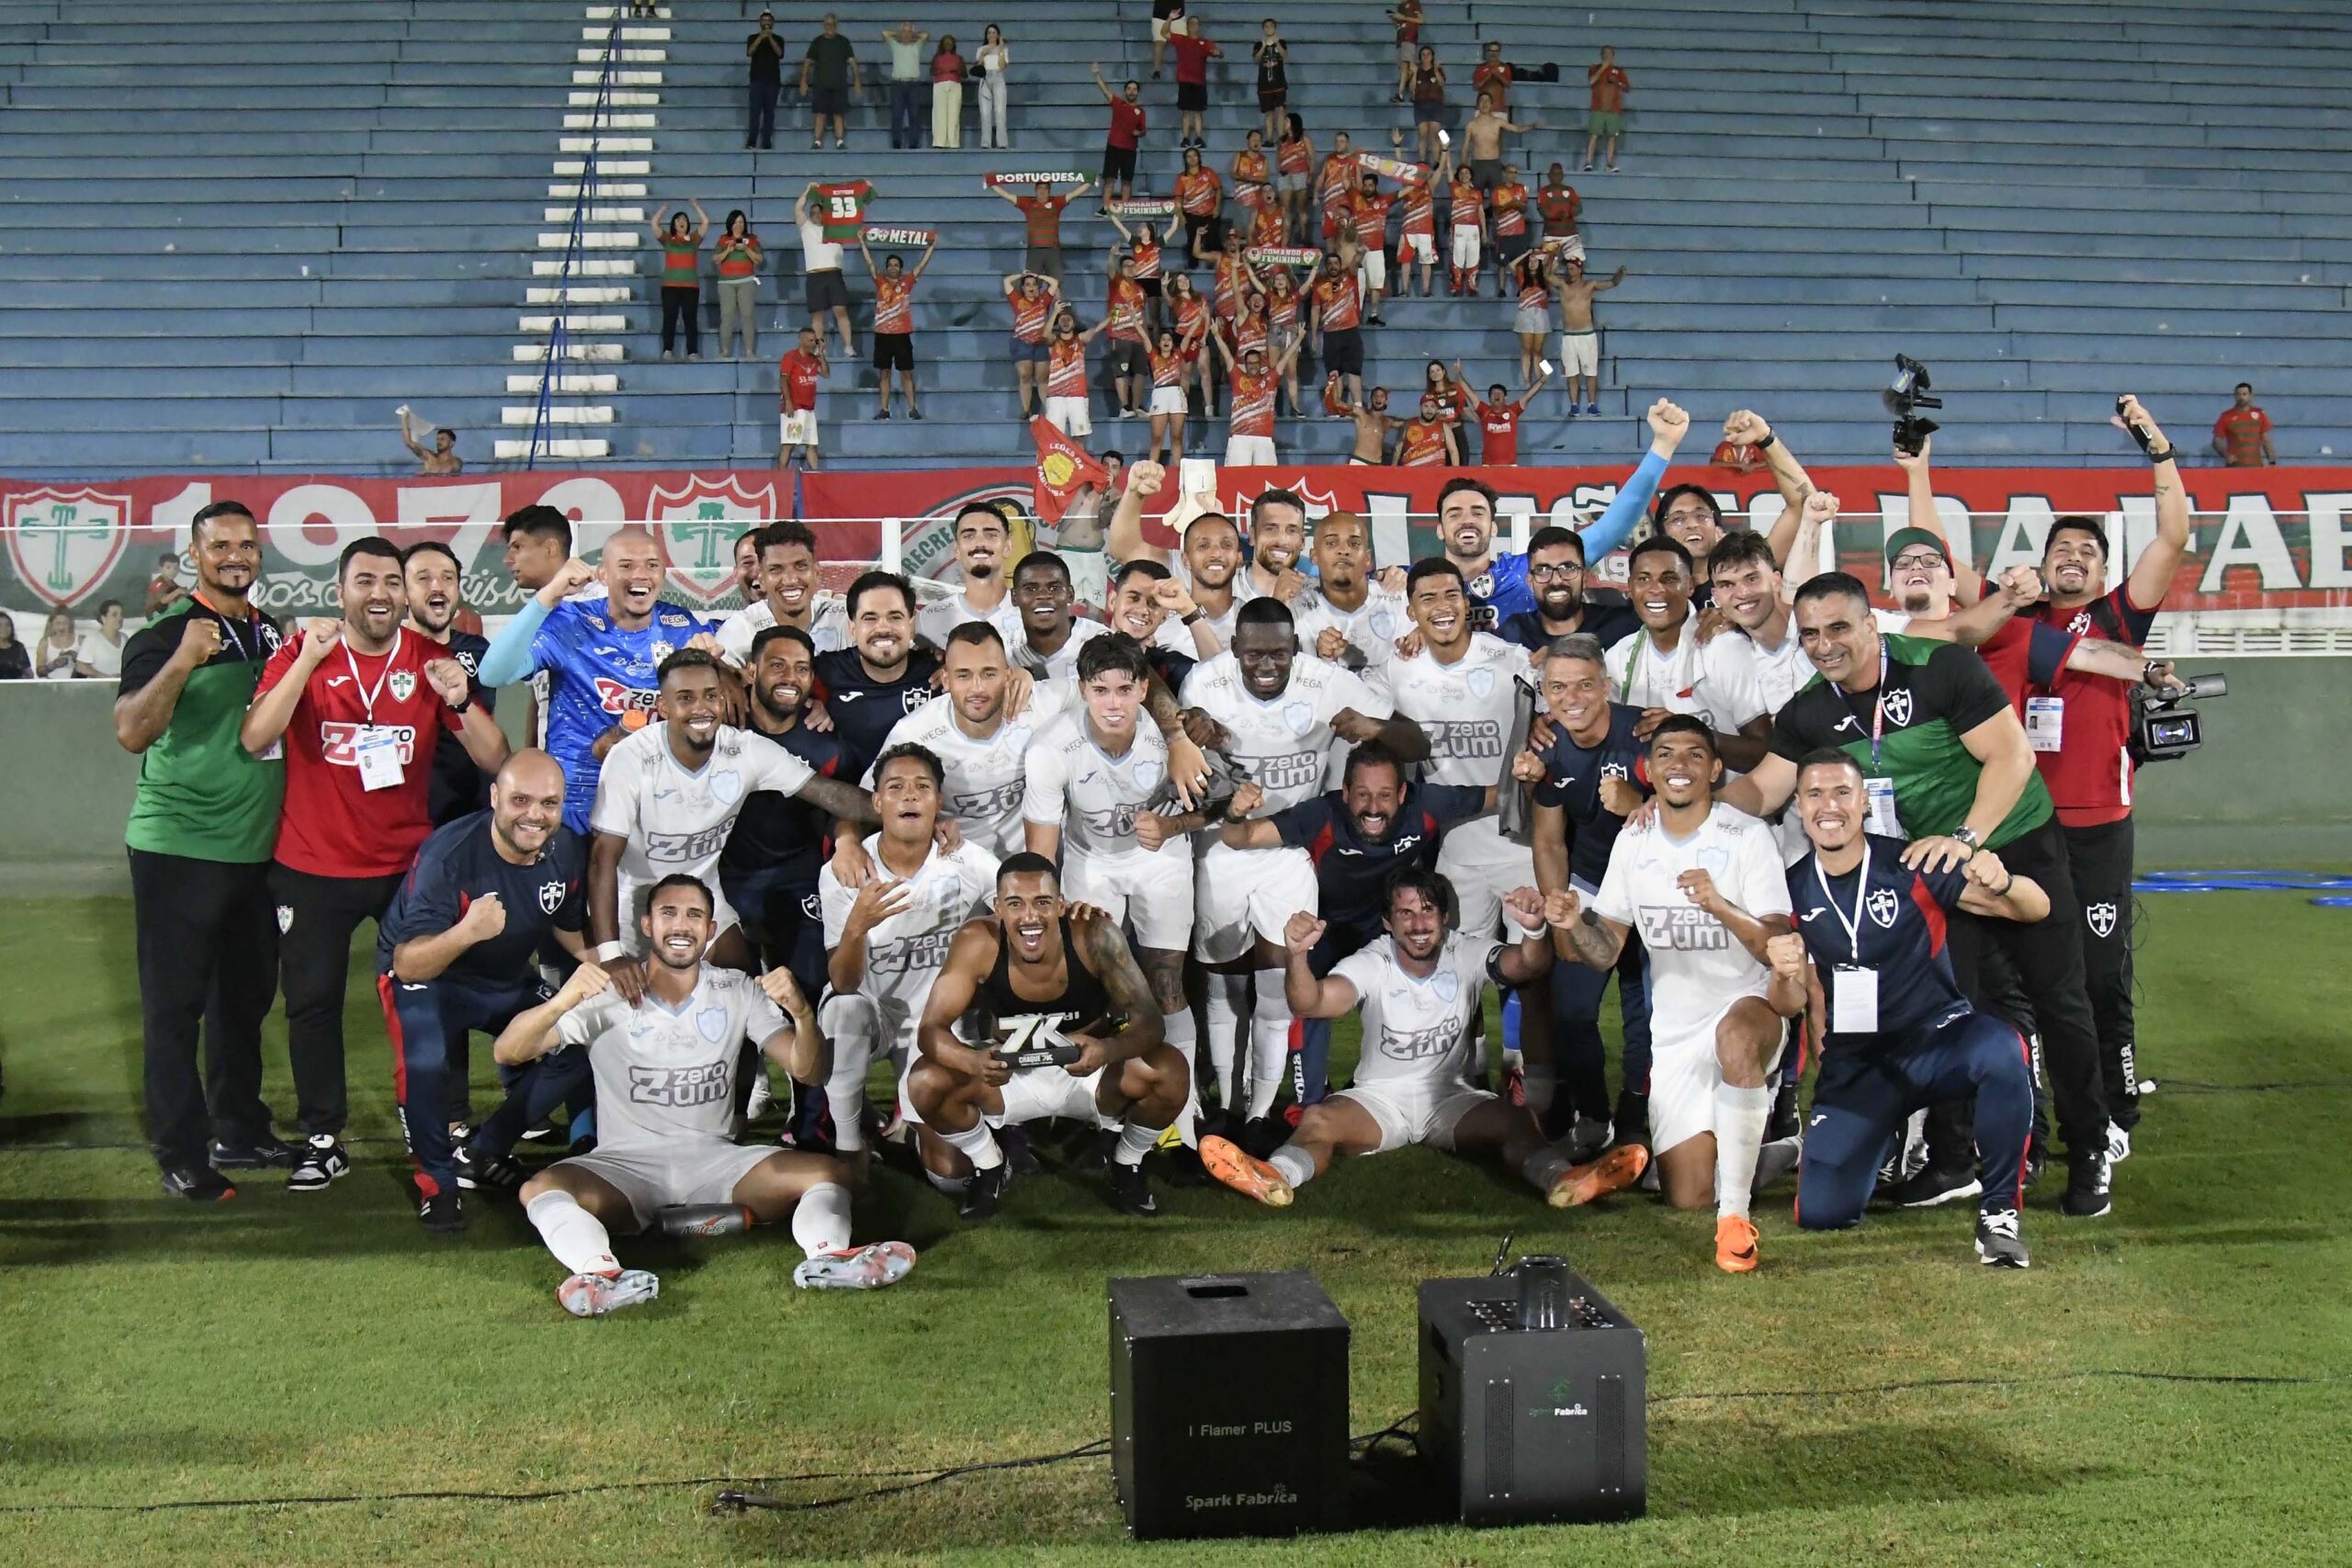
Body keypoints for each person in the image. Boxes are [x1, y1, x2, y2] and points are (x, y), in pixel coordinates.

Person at [1712, 573, 2117, 1219]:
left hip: (2014, 842)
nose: (1824, 645)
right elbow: (1763, 790)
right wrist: (1686, 806)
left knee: (2060, 1001)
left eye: (1839, 627)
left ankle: (2091, 1145)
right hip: (1935, 867)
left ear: (1873, 624)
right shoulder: (1812, 709)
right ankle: (1955, 1158)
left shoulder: (1940, 667)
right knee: (1959, 1009)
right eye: (1811, 633)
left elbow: (2013, 758)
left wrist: (1966, 837)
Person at [500, 876, 918, 1315]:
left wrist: (802, 1014)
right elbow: (508, 1051)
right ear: (646, 925)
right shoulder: (609, 994)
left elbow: (809, 1071)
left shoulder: (736, 989)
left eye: (694, 915)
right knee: (541, 1188)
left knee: (829, 1174)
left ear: (711, 928)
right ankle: (600, 1274)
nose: (681, 925)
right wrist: (561, 1001)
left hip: (716, 1159)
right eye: (669, 914)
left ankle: (828, 1258)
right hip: (625, 1164)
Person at [241, 536, 510, 1193]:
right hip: (311, 864)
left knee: (424, 997)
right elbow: (255, 738)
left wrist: (456, 698)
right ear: (341, 590)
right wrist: (305, 662)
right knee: (311, 1003)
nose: (380, 593)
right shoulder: (304, 652)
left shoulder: (428, 658)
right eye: (365, 581)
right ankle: (324, 1136)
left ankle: (440, 1124)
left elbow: (495, 756)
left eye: (391, 581)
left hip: (405, 865)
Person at [1202, 869, 1648, 1209]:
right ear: (1387, 922)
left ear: (1444, 916)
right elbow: (1311, 1002)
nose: (1418, 924)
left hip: (1449, 1099)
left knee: (1515, 1123)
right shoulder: (1373, 961)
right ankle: (1273, 1177)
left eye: (1427, 911)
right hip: (1380, 1099)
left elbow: (1526, 967)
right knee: (1317, 1121)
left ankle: (1564, 1182)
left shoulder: (1464, 950)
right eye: (1406, 913)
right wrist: (1297, 956)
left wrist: (1533, 929)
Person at [1769, 750, 2046, 1268]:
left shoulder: (1912, 865)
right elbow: (1791, 1002)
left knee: (2003, 1051)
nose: (1830, 806)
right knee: (1822, 1213)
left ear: (1866, 802)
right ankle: (1884, 1133)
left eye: (1842, 793)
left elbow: (2036, 908)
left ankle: (1999, 1214)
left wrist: (2004, 881)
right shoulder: (1789, 887)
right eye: (1815, 795)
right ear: (1799, 808)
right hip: (1858, 1064)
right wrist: (1782, 973)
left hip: (1935, 1039)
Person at [1548, 717, 1792, 1269]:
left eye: (1693, 755)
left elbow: (1776, 946)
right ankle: (1775, 1151)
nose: (1678, 765)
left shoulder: (1747, 836)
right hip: (1676, 1036)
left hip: (1749, 1008)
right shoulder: (1633, 842)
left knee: (1735, 1041)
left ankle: (1735, 1220)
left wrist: (1721, 906)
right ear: (1650, 770)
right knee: (1687, 1195)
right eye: (1665, 754)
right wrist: (1568, 924)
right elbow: (1607, 948)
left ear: (1715, 769)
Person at [1181, 599, 1428, 1128]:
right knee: (1225, 982)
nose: (1266, 665)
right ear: (1234, 651)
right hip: (1221, 847)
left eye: (1278, 654)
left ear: (1296, 649)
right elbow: (1183, 761)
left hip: (1291, 851)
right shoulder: (1205, 685)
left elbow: (1416, 740)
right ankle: (1227, 1102)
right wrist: (1187, 730)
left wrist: (1372, 725)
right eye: (1253, 655)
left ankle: (1264, 1114)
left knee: (1276, 981)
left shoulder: (1328, 682)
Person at [2023, 395, 2193, 1149]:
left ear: (2103, 570)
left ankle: (2115, 1110)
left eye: (2088, 551)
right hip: (2024, 825)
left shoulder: (2120, 621)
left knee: (2099, 977)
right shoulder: (2015, 623)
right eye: (2062, 546)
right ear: (2041, 559)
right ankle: (2034, 1110)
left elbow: (2175, 534)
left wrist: (2156, 450)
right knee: (2032, 982)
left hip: (2098, 831)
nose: (2074, 556)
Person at [115, 501, 288, 1200]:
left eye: (246, 544)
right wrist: (185, 658)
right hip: (178, 848)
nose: (236, 556)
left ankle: (239, 1128)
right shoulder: (163, 634)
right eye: (221, 545)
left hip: (255, 854)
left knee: (243, 1002)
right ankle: (180, 1153)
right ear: (195, 553)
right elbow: (131, 730)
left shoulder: (267, 631)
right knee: (174, 1009)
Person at [376, 750, 586, 1230]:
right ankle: (438, 1185)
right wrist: (467, 932)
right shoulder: (448, 856)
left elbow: (568, 927)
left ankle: (483, 1150)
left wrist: (606, 963)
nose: (535, 815)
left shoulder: (566, 849)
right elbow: (408, 960)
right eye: (521, 800)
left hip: (501, 978)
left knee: (575, 1044)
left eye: (549, 804)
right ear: (495, 797)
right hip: (425, 980)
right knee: (425, 1065)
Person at [909, 855, 1187, 1216]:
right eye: (1014, 904)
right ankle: (989, 1165)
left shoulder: (1094, 935)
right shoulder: (977, 940)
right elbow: (931, 1030)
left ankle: (1126, 1163)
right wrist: (972, 1061)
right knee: (924, 1082)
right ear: (997, 907)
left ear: (1060, 905)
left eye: (1041, 902)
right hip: (1010, 1075)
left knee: (1172, 1071)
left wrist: (1108, 1048)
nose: (1029, 917)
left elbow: (1150, 1021)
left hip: (1090, 1073)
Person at [590, 648, 876, 997]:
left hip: (702, 889)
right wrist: (610, 955)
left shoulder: (745, 750)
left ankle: (743, 1053)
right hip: (635, 897)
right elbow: (603, 858)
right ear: (664, 708)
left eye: (711, 696)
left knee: (741, 986)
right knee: (639, 1004)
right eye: (685, 698)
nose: (701, 708)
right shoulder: (630, 759)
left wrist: (905, 812)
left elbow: (826, 793)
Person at [1216, 739, 1487, 1103]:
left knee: (1434, 986)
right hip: (1325, 929)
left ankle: (1442, 1087)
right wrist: (1234, 814)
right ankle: (1307, 1106)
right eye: (1362, 795)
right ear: (1344, 792)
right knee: (1305, 1005)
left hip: (1385, 929)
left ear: (1403, 793)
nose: (1373, 808)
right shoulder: (1321, 815)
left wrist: (1532, 774)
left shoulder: (1428, 804)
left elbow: (1497, 795)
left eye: (1385, 795)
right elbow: (1242, 837)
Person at [1023, 634, 1205, 1122]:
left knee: (1166, 982)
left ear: (1144, 690)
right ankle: (1099, 1106)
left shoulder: (1173, 739)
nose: (1112, 703)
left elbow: (1216, 808)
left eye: (1124, 689)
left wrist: (1171, 825)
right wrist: (1048, 907)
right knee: (1097, 985)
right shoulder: (1049, 748)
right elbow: (1040, 851)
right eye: (1100, 690)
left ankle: (1183, 1114)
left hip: (1161, 860)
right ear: (1082, 689)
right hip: (1090, 863)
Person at [820, 743, 1002, 1164]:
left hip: (937, 1024)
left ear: (939, 802)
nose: (909, 795)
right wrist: (856, 926)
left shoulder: (966, 860)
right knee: (843, 1009)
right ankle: (850, 1149)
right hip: (875, 1014)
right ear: (877, 801)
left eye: (922, 787)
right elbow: (844, 981)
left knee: (951, 1173)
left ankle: (916, 1132)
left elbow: (1019, 912)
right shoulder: (844, 872)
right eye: (896, 787)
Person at [476, 528, 719, 835]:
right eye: (627, 565)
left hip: (652, 803)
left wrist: (722, 667)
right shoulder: (571, 623)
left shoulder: (683, 627)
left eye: (652, 565)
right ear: (603, 574)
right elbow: (493, 674)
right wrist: (547, 596)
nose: (641, 575)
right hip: (575, 805)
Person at [1515, 635, 1654, 1145]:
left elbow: (1695, 805)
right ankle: (1592, 1117)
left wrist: (1639, 799)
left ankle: (1636, 1116)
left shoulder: (1645, 731)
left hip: (1654, 890)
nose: (1570, 698)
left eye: (1583, 686)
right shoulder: (1548, 744)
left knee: (1647, 1013)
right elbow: (1548, 841)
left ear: (1606, 686)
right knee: (1572, 1011)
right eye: (1557, 688)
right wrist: (1559, 905)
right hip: (1591, 886)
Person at [1436, 399, 1683, 631]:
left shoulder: (1532, 571)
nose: (1467, 520)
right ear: (1439, 528)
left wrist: (1663, 445)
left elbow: (1611, 527)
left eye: (1478, 512)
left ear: (1493, 527)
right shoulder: (1405, 581)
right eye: (1454, 514)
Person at [719, 624, 853, 1021]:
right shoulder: (720, 729)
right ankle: (746, 1083)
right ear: (750, 672)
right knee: (726, 1007)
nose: (790, 678)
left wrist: (846, 839)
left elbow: (844, 810)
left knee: (808, 1000)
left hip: (797, 879)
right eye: (777, 665)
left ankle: (815, 1083)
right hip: (725, 882)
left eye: (801, 669)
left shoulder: (828, 746)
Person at [875, 624, 1057, 857]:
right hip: (954, 865)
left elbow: (1090, 690)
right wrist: (847, 840)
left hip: (1027, 868)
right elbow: (870, 795)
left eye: (989, 673)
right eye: (963, 675)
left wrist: (1030, 673)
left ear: (1008, 675)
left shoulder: (1036, 705)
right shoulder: (914, 733)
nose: (977, 688)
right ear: (946, 679)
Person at [1602, 536, 1770, 767]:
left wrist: (1685, 733)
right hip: (1651, 798)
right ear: (1630, 587)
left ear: (1690, 585)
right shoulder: (1619, 656)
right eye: (1644, 579)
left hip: (1730, 798)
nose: (1656, 589)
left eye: (1669, 578)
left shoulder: (1725, 647)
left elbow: (1764, 750)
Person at [813, 571, 945, 779]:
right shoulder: (826, 671)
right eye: (870, 618)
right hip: (848, 806)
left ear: (911, 625)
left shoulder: (940, 673)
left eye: (895, 617)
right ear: (853, 629)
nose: (883, 628)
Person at [400, 542, 496, 827]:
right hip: (406, 817)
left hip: (473, 815)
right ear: (403, 593)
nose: (437, 586)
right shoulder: (388, 653)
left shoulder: (480, 652)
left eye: (447, 577)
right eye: (424, 578)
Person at [719, 521, 848, 665]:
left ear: (817, 573)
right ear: (761, 579)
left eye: (800, 566)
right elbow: (717, 680)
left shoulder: (844, 617)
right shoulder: (742, 627)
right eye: (776, 569)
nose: (790, 580)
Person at [861, 235, 933, 421]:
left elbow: (921, 266)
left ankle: (913, 409)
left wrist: (931, 248)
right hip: (883, 335)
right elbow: (869, 262)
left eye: (896, 265)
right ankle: (884, 409)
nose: (893, 267)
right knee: (884, 373)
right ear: (887, 268)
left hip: (901, 335)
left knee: (906, 373)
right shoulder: (880, 281)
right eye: (890, 264)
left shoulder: (907, 283)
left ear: (901, 268)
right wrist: (862, 241)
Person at [1010, 551, 1110, 680]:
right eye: (1031, 589)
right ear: (1014, 597)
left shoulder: (1104, 643)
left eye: (1054, 588)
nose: (1043, 595)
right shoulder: (1001, 648)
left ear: (1070, 594)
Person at [1210, 331, 1303, 467]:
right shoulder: (1237, 377)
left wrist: (1299, 338)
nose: (1253, 366)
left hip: (1264, 439)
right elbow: (1226, 354)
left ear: (1261, 364)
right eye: (1250, 363)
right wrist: (1217, 335)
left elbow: (1286, 357)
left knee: (1267, 482)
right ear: (1245, 365)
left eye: (1256, 363)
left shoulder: (1270, 379)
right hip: (1239, 438)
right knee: (1235, 481)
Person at [790, 185, 856, 359]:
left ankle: (848, 346)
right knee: (817, 315)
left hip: (834, 273)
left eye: (819, 212)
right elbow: (798, 208)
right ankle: (820, 349)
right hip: (815, 275)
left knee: (841, 311)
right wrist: (808, 190)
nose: (816, 215)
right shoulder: (807, 228)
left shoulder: (837, 228)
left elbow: (853, 210)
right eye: (813, 212)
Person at [1553, 257, 1625, 416]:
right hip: (1569, 336)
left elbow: (1611, 283)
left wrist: (1619, 275)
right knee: (1571, 373)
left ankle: (1592, 405)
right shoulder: (1563, 286)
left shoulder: (1590, 285)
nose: (1569, 272)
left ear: (1580, 270)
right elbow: (1547, 276)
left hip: (1586, 335)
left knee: (1590, 373)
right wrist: (1552, 260)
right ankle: (1574, 406)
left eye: (1572, 269)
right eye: (1568, 269)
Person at [1457, 363, 1548, 467]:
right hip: (1488, 466)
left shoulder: (1513, 410)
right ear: (1489, 399)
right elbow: (1469, 393)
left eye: (1499, 393)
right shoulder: (1484, 410)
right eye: (1493, 394)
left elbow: (1529, 395)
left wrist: (1542, 380)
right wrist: (1458, 374)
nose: (1496, 395)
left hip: (1510, 466)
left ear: (1505, 398)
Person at [650, 200, 708, 362]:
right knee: (670, 318)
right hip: (670, 286)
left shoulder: (694, 239)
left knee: (690, 318)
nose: (681, 222)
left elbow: (706, 222)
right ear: (673, 224)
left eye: (684, 219)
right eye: (677, 220)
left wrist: (696, 206)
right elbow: (654, 223)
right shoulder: (668, 239)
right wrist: (663, 208)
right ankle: (668, 349)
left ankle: (692, 351)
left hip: (691, 286)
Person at [1310, 248, 1366, 408]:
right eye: (1329, 264)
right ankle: (1337, 406)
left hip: (1351, 332)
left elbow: (1355, 262)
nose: (1333, 266)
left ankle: (1358, 407)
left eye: (1336, 263)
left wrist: (1360, 253)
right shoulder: (1320, 286)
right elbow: (1315, 310)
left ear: (1340, 265)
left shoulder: (1349, 276)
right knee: (1335, 374)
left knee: (1354, 372)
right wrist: (1314, 335)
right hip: (1331, 335)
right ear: (1326, 267)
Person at [1044, 306, 1110, 440]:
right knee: (1054, 437)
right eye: (1062, 319)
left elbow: (1097, 329)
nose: (1066, 322)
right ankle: (1056, 461)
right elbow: (1045, 334)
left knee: (1079, 436)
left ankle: (1078, 461)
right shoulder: (1053, 341)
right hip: (1056, 395)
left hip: (1077, 396)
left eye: (1069, 319)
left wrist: (1114, 314)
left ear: (1074, 323)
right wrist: (1056, 312)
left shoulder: (1081, 339)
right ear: (1058, 323)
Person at [1001, 270, 1063, 415]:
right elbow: (1006, 281)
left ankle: (1050, 411)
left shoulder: (1044, 299)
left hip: (1040, 343)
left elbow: (1054, 283)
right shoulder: (1017, 299)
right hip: (1022, 342)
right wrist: (1021, 275)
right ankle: (1026, 409)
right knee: (1025, 374)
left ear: (1038, 287)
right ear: (1023, 288)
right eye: (1027, 284)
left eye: (1034, 284)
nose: (1031, 287)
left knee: (1043, 377)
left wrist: (1038, 276)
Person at [1102, 247, 1153, 421]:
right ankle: (1125, 406)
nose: (1130, 268)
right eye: (1126, 266)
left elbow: (1143, 314)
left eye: (1133, 265)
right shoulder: (1116, 282)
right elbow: (1110, 269)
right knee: (1121, 372)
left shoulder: (1141, 289)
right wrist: (1112, 256)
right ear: (1121, 269)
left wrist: (1147, 337)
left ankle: (1136, 406)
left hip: (1138, 337)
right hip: (1119, 335)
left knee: (1141, 372)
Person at [770, 324, 828, 469]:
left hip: (809, 409)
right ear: (801, 340)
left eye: (814, 340)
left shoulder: (814, 359)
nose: (813, 344)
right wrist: (788, 402)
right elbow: (784, 379)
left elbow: (826, 373)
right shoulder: (790, 357)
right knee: (789, 444)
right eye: (810, 340)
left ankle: (815, 478)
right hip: (794, 408)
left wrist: (822, 354)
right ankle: (781, 479)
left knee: (812, 445)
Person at [800, 13, 859, 150]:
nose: (830, 27)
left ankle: (840, 141)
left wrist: (857, 80)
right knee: (820, 114)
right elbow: (808, 61)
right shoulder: (817, 42)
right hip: (821, 84)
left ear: (836, 25)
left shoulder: (844, 42)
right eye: (828, 24)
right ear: (824, 25)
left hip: (839, 84)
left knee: (839, 113)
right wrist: (803, 79)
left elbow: (852, 61)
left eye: (832, 24)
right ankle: (817, 141)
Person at [1462, 92, 1533, 202]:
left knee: (1499, 199)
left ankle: (1497, 219)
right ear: (1477, 105)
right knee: (1475, 199)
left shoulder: (1498, 122)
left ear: (1491, 105)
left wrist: (1532, 126)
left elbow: (1517, 129)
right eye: (1482, 101)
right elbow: (1465, 146)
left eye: (1487, 101)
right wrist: (1463, 166)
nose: (1484, 104)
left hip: (1494, 165)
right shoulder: (1471, 125)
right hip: (1477, 165)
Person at [1091, 65, 1148, 204]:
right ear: (1125, 91)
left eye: (1134, 89)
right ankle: (1105, 208)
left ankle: (1124, 209)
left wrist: (1138, 133)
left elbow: (1144, 131)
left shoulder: (1141, 112)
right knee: (1110, 179)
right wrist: (1097, 74)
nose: (1132, 92)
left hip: (1129, 150)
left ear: (1138, 93)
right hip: (1113, 147)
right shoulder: (1118, 103)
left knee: (1126, 181)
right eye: (1129, 89)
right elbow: (1105, 90)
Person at [714, 210, 763, 359]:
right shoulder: (723, 240)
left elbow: (759, 259)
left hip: (746, 282)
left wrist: (746, 249)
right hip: (726, 283)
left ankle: (749, 351)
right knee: (727, 316)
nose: (738, 225)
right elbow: (716, 259)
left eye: (741, 222)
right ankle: (725, 351)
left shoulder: (752, 239)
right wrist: (728, 251)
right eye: (735, 222)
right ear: (730, 224)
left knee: (747, 315)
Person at [1167, 17, 1219, 151]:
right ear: (1188, 26)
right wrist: (1170, 19)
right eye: (1191, 23)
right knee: (1185, 112)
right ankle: (1185, 138)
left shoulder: (1205, 43)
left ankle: (1199, 138)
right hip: (1185, 80)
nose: (1193, 26)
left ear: (1199, 26)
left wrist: (1217, 53)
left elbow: (1219, 53)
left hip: (1199, 81)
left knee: (1198, 112)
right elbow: (1163, 32)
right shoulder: (1181, 40)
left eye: (1196, 23)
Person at [879, 20, 928, 149]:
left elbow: (925, 36)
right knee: (896, 114)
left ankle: (913, 143)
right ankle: (896, 141)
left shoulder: (917, 46)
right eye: (904, 31)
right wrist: (899, 33)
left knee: (914, 115)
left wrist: (913, 34)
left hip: (913, 84)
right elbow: (885, 33)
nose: (906, 34)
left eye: (909, 31)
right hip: (898, 84)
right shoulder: (895, 45)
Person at [1584, 46, 1629, 172]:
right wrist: (1603, 68)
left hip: (1613, 109)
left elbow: (1627, 88)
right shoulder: (1594, 68)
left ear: (1613, 55)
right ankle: (1588, 162)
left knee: (1612, 137)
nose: (1607, 55)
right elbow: (1591, 82)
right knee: (1594, 135)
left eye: (1610, 53)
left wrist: (1617, 82)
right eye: (1605, 53)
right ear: (1601, 55)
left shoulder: (1619, 71)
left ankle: (1609, 164)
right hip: (1597, 108)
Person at [746, 12, 786, 149]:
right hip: (756, 80)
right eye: (763, 20)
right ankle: (752, 142)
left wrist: (769, 38)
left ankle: (767, 142)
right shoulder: (752, 37)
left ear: (773, 23)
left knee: (770, 114)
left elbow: (780, 54)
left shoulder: (778, 39)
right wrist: (760, 38)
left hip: (773, 82)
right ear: (760, 22)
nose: (766, 22)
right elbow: (750, 52)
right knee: (755, 113)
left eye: (768, 20)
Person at [2212, 380, 2273, 467]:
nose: (2241, 397)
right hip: (2235, 467)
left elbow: (2266, 440)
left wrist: (2272, 461)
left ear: (2251, 396)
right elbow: (2216, 441)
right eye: (2238, 394)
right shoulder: (2226, 416)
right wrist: (2226, 455)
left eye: (2244, 394)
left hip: (2256, 466)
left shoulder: (2260, 414)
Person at [1404, 45, 1446, 165]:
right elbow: (1412, 88)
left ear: (1432, 56)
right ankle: (1422, 161)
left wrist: (1437, 70)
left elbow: (1442, 83)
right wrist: (1415, 73)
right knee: (1422, 134)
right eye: (1423, 54)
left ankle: (1437, 161)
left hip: (1435, 104)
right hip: (1420, 105)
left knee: (1434, 133)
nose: (1426, 56)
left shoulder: (1437, 69)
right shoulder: (1416, 70)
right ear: (1420, 57)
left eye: (1429, 54)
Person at [1394, 391, 1459, 466]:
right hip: (1410, 473)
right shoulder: (1408, 424)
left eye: (1432, 406)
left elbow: (1453, 451)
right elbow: (1398, 447)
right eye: (1426, 406)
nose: (1429, 410)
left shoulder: (1444, 427)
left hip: (1436, 474)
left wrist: (1455, 472)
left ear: (1436, 409)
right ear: (1420, 407)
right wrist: (1393, 467)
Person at [1251, 18, 1290, 142]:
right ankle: (1269, 138)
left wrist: (1277, 43)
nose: (1269, 28)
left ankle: (1281, 137)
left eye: (1271, 26)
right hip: (1264, 83)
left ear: (1275, 28)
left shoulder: (1282, 42)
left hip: (1279, 82)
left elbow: (1285, 56)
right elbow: (1256, 59)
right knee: (1268, 112)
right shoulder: (1258, 44)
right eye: (1266, 26)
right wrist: (1263, 46)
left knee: (1280, 109)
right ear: (1263, 29)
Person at [1537, 163, 1585, 262]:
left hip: (1571, 235)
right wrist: (1557, 215)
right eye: (1554, 174)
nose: (1556, 177)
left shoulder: (1569, 190)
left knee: (1577, 265)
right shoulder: (1543, 192)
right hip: (1551, 235)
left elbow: (1579, 208)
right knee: (1548, 268)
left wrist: (1569, 213)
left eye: (1559, 174)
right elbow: (1543, 212)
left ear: (1563, 176)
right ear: (1549, 176)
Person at [974, 25, 1011, 149]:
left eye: (994, 32)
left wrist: (1000, 49)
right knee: (985, 113)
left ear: (998, 35)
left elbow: (1002, 66)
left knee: (1000, 112)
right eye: (989, 33)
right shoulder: (981, 49)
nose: (991, 35)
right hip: (985, 78)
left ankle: (1002, 142)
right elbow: (979, 66)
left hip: (998, 77)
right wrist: (983, 55)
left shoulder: (1003, 49)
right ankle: (985, 142)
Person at [70, 600, 126, 679]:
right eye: (114, 615)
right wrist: (106, 677)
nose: (120, 618)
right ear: (103, 618)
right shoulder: (92, 639)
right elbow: (81, 666)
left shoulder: (125, 638)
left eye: (121, 614)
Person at [398, 409, 461, 474]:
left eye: (442, 439)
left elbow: (450, 471)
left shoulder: (456, 461)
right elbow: (409, 443)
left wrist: (428, 474)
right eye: (437, 439)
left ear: (451, 443)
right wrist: (404, 419)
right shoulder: (429, 457)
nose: (438, 442)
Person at [930, 33, 965, 148]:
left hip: (955, 85)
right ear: (942, 44)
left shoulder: (959, 58)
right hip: (940, 85)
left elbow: (965, 74)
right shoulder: (936, 58)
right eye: (946, 42)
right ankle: (939, 142)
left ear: (954, 44)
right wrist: (940, 71)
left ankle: (953, 142)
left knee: (954, 114)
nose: (948, 44)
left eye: (950, 42)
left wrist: (956, 70)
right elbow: (931, 72)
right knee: (940, 113)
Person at [1388, 0, 1423, 101]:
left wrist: (1404, 18)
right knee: (1404, 68)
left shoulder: (1414, 3)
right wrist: (1395, 19)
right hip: (1401, 38)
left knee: (1411, 67)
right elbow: (1400, 25)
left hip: (1409, 38)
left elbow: (1421, 20)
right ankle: (1402, 94)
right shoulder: (1401, 5)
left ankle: (1408, 94)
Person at [31, 609, 76, 679]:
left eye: (65, 623)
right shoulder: (45, 642)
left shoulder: (80, 640)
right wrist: (54, 665)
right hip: (52, 685)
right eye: (58, 623)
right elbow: (39, 672)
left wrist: (75, 657)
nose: (61, 627)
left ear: (70, 624)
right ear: (51, 624)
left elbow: (89, 666)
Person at [1149, 0, 1187, 80]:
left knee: (1184, 44)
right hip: (1159, 16)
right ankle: (1157, 70)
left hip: (1178, 16)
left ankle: (1186, 70)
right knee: (1159, 43)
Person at [144, 550, 189, 616]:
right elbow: (163, 600)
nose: (172, 571)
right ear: (160, 569)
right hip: (154, 615)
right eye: (168, 568)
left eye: (175, 568)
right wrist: (178, 591)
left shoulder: (172, 584)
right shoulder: (157, 584)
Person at [0, 613, 28, 680]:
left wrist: (26, 676)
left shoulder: (19, 647)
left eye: (7, 625)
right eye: (0, 625)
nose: (4, 628)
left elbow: (28, 671)